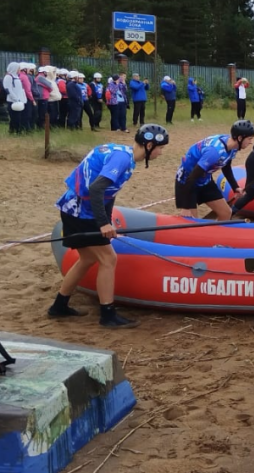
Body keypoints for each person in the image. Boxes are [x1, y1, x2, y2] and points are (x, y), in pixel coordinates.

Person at [49, 124, 170, 328]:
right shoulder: (123, 159)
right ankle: (107, 314)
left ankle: (59, 305)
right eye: (160, 148)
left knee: (87, 259)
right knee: (108, 259)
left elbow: (109, 193)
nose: (160, 152)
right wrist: (103, 223)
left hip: (78, 209)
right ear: (149, 145)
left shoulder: (125, 156)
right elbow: (96, 188)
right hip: (79, 211)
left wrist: (108, 219)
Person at [175, 120, 254, 221]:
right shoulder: (214, 152)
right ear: (240, 138)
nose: (251, 142)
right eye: (249, 139)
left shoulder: (233, 146)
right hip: (187, 181)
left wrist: (235, 187)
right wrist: (186, 206)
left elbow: (226, 167)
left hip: (204, 179)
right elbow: (192, 178)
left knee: (226, 213)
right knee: (191, 221)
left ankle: (215, 236)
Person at [3, 62, 27, 134]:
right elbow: (8, 89)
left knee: (17, 116)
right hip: (12, 101)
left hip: (18, 100)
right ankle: (17, 131)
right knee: (15, 117)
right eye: (18, 68)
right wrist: (15, 98)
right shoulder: (8, 77)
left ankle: (12, 130)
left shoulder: (17, 77)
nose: (19, 69)